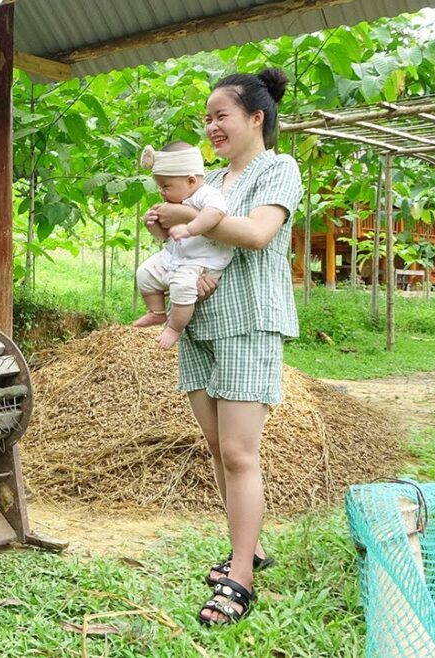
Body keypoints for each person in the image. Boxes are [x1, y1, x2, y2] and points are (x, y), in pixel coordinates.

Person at [145, 68, 302, 626]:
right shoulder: (208, 178)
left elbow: (257, 234)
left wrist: (189, 218)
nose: (212, 126)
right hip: (199, 325)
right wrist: (163, 225)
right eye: (207, 118)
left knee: (239, 453)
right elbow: (185, 241)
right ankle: (247, 549)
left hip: (248, 322)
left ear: (256, 118)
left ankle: (240, 578)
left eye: (222, 116)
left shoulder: (278, 169)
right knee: (216, 447)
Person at [134, 141, 230, 349]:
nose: (161, 192)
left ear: (191, 181)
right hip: (174, 257)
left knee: (182, 288)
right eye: (160, 186)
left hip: (200, 262)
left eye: (165, 186)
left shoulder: (207, 194)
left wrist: (189, 228)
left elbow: (215, 213)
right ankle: (156, 312)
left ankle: (174, 328)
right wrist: (152, 225)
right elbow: (165, 236)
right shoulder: (175, 201)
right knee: (144, 273)